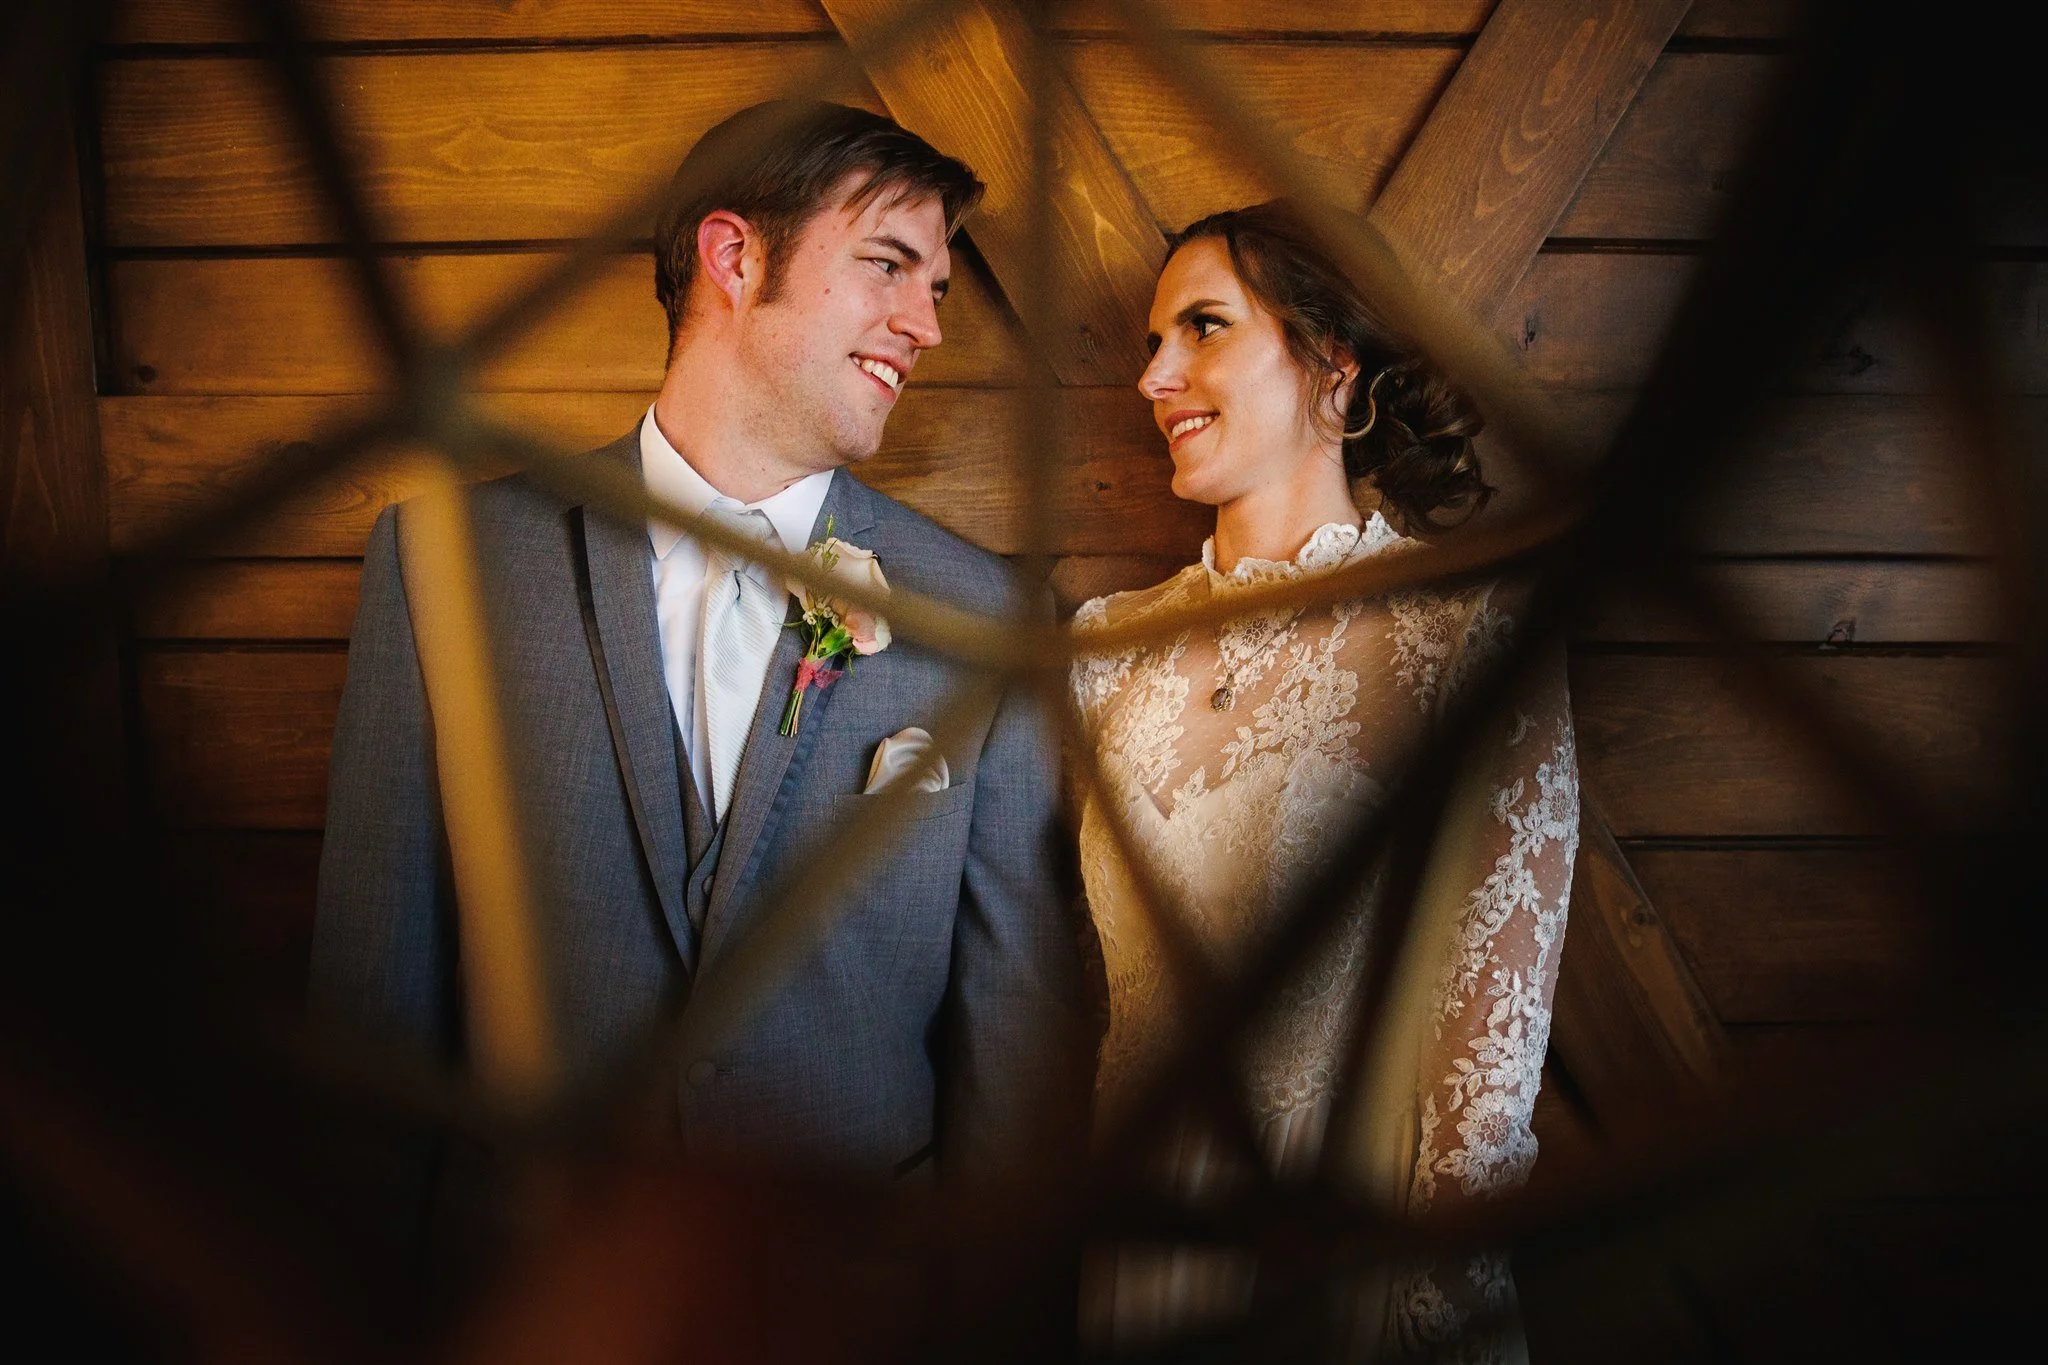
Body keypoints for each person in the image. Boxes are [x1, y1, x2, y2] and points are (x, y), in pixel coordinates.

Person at [310, 102, 1091, 1211]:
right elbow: (372, 1012)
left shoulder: (986, 617)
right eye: (887, 265)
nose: (924, 323)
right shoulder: (447, 566)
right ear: (734, 255)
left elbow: (1012, 1041)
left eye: (937, 290)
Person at [1069, 202, 1579, 1358]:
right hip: (1141, 1242)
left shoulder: (1464, 639)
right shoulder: (1106, 654)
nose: (1154, 375)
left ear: (1333, 367)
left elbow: (1484, 1080)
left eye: (1199, 328)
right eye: (1152, 342)